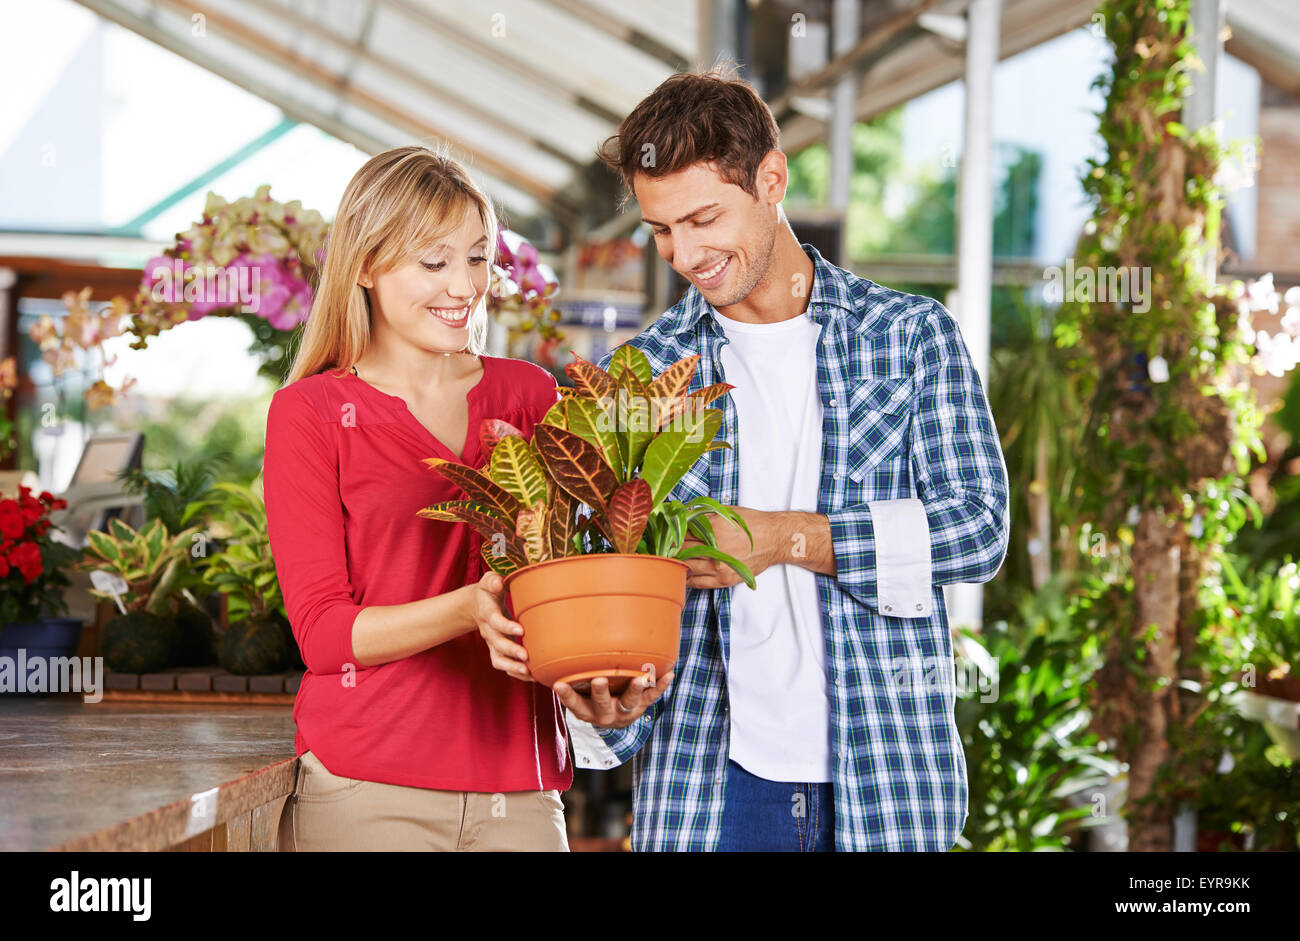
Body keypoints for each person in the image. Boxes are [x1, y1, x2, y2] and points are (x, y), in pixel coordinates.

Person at [558, 68, 1011, 852]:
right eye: (663, 230)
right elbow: (615, 584)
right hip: (712, 787)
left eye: (704, 217)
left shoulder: (908, 337)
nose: (686, 253)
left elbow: (978, 528)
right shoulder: (644, 376)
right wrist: (608, 705)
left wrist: (783, 537)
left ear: (772, 179)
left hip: (889, 781)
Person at [265, 146, 572, 851]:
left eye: (477, 257)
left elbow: (574, 574)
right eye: (434, 262)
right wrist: (468, 608)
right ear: (366, 266)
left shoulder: (532, 395)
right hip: (368, 788)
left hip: (519, 786)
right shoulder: (310, 413)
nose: (464, 284)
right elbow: (323, 633)